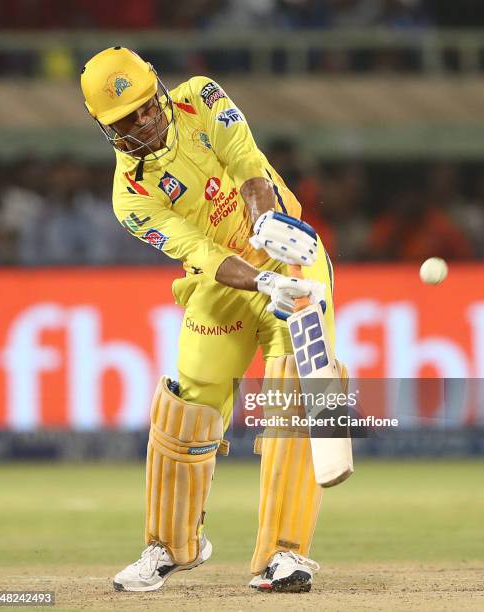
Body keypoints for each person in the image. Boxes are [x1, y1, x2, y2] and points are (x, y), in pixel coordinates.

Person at [80, 46, 345, 594]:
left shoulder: (202, 96)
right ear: (104, 128)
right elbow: (199, 250)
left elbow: (247, 165)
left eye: (146, 106)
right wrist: (261, 281)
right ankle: (171, 546)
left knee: (295, 393)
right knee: (186, 405)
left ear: (158, 88)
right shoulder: (130, 198)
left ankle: (283, 556)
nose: (144, 122)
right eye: (124, 120)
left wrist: (267, 225)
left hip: (289, 255)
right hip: (225, 283)